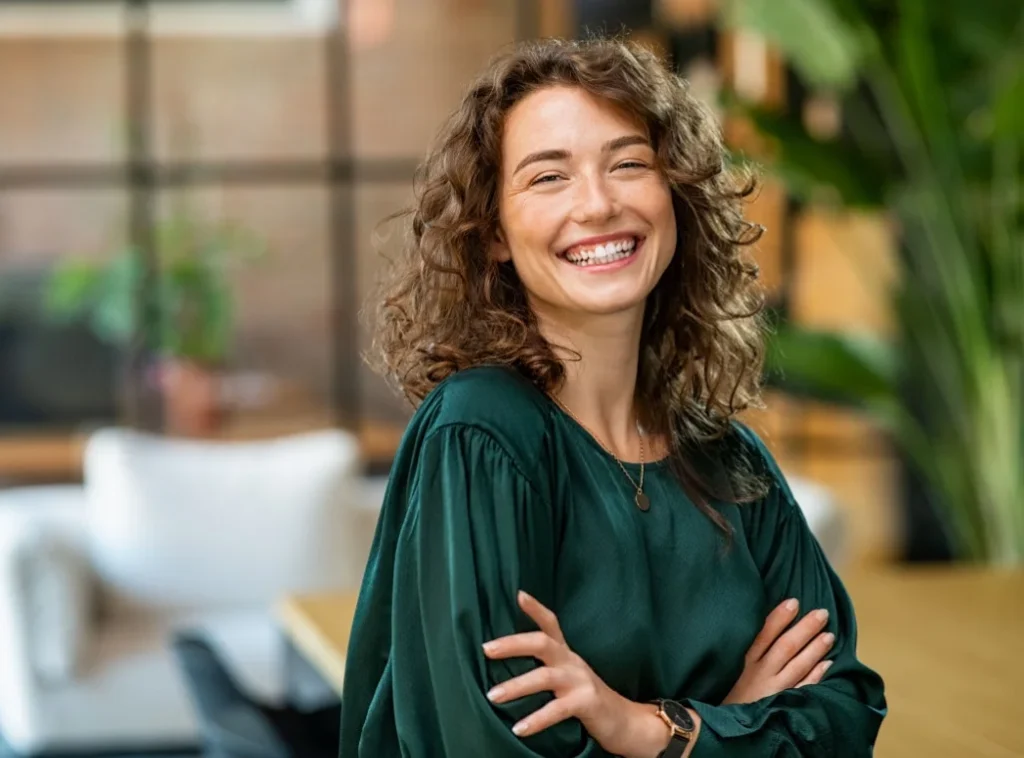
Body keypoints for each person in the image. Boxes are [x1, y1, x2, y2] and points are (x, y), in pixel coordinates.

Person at [339, 37, 886, 758]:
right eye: (548, 177)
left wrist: (648, 727)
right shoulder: (481, 434)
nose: (598, 204)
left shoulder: (730, 461)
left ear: (674, 195)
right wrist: (729, 724)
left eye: (628, 164)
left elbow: (842, 718)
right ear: (494, 232)